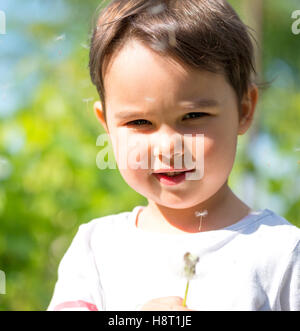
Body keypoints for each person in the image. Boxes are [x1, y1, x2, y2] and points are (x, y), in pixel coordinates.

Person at [47, 0, 300, 311]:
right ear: (108, 126)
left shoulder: (282, 252)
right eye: (139, 122)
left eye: (193, 116)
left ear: (244, 110)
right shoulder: (96, 249)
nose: (168, 146)